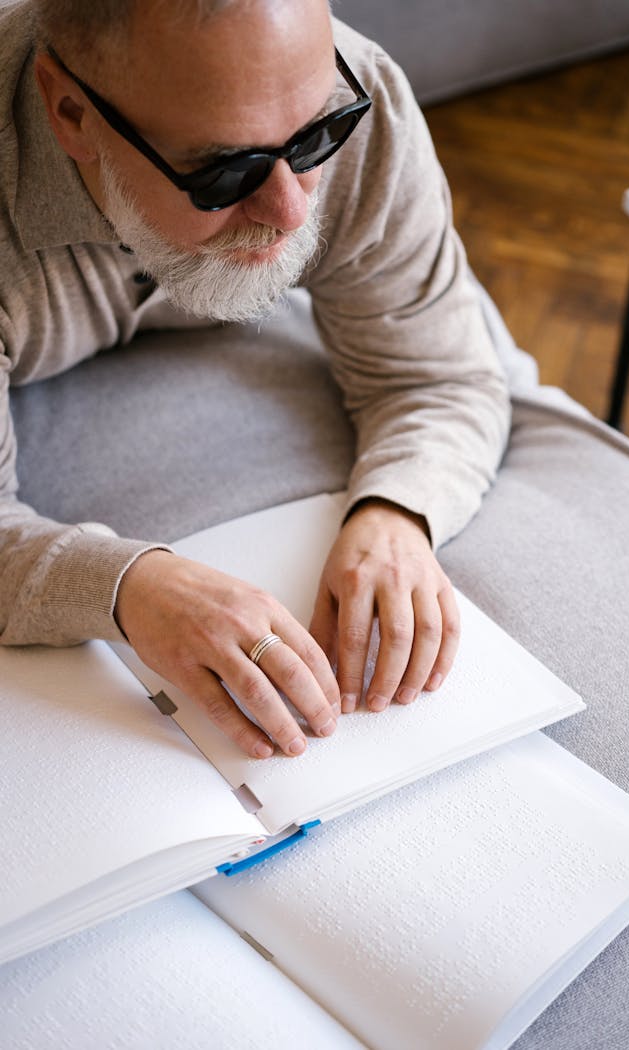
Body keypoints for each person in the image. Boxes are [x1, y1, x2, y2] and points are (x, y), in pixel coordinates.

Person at [0, 0, 510, 759]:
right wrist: (130, 587)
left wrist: (398, 513)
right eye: (224, 171)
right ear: (70, 112)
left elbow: (440, 375)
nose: (290, 208)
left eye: (316, 138)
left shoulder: (358, 90)